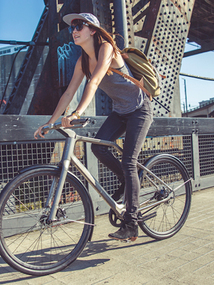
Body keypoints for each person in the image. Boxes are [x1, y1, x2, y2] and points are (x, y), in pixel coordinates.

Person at [34, 12, 153, 242]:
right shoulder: (82, 61)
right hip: (120, 112)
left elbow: (95, 81)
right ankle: (128, 180)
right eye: (72, 27)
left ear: (93, 31)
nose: (74, 30)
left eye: (80, 25)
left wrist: (77, 113)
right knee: (99, 148)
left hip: (139, 109)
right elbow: (69, 92)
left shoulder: (106, 48)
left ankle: (131, 223)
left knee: (129, 161)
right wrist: (50, 122)